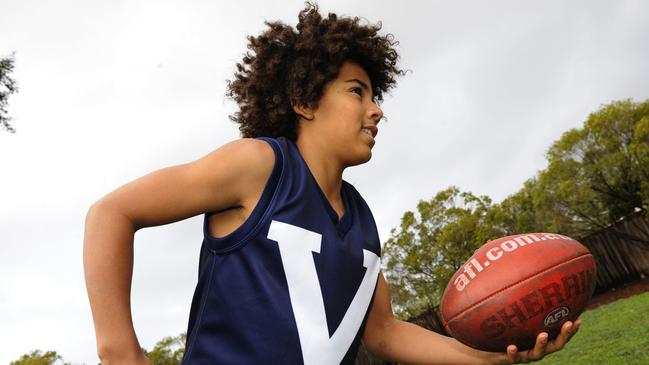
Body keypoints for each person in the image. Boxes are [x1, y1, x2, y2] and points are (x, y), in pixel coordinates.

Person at [83, 2, 580, 364]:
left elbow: (383, 332)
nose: (376, 108)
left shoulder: (361, 220)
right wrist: (118, 350)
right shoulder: (260, 167)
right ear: (304, 100)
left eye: (375, 95)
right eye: (357, 91)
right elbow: (112, 213)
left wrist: (492, 357)